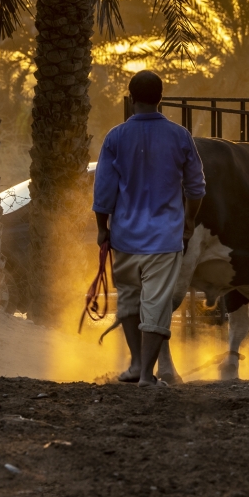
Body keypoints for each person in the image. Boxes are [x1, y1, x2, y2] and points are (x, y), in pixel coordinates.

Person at [93, 71, 206, 387]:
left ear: (130, 99)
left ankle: (135, 365)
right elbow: (196, 188)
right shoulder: (179, 136)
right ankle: (146, 377)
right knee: (156, 305)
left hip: (125, 237)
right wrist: (188, 221)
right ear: (161, 99)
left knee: (129, 300)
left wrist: (103, 229)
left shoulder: (115, 137)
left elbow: (103, 192)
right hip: (164, 239)